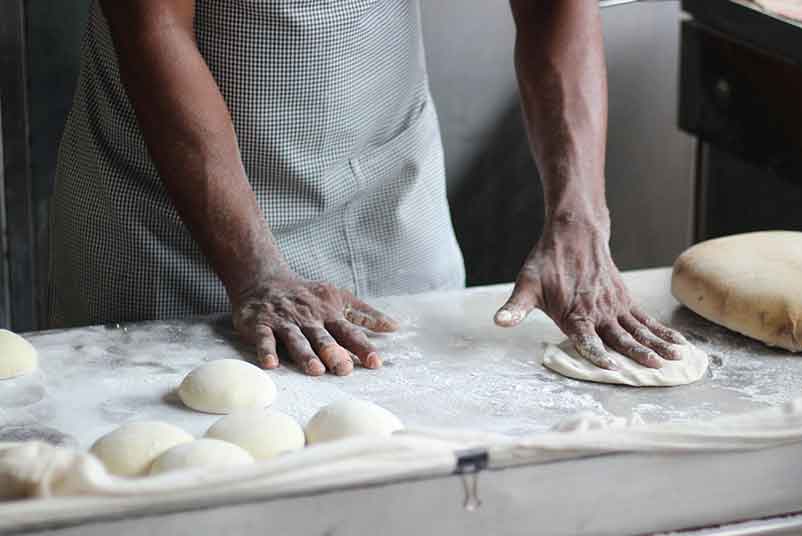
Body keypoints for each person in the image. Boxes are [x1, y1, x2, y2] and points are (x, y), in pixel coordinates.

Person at [50, 1, 691, 376]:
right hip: (171, 222)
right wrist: (256, 271)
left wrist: (579, 220)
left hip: (387, 188)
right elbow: (152, 24)